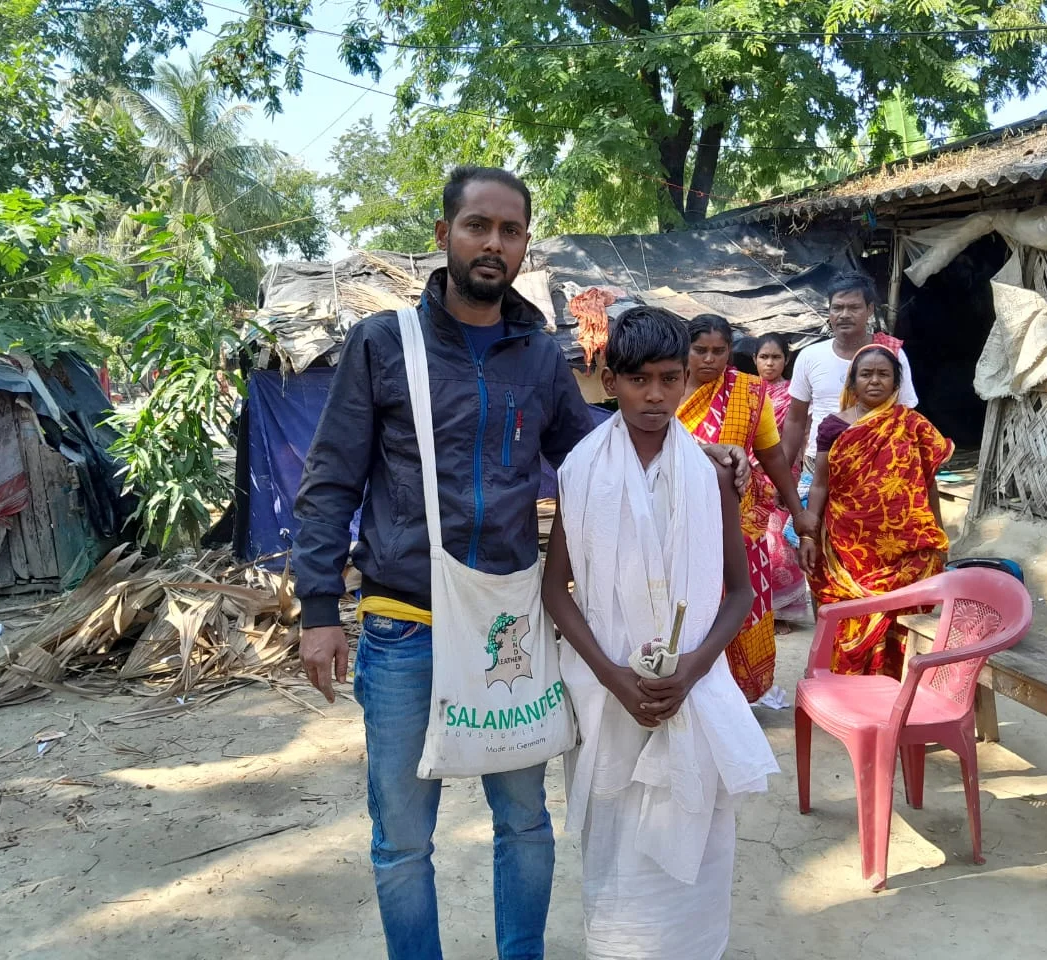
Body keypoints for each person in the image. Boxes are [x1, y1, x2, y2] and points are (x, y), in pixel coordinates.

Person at [293, 166, 753, 960]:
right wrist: (319, 611)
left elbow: (590, 450)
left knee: (527, 825)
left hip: (510, 623)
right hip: (406, 624)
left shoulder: (538, 357)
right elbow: (331, 478)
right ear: (444, 236)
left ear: (523, 245)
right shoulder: (383, 345)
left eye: (510, 231)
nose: (493, 243)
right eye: (477, 226)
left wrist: (688, 448)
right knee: (403, 837)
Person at [542, 307, 780, 960]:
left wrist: (696, 667)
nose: (654, 395)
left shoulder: (710, 475)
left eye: (669, 379)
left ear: (686, 382)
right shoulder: (582, 471)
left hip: (691, 692)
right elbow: (554, 591)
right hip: (609, 696)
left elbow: (739, 593)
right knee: (615, 853)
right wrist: (614, 676)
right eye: (638, 379)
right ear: (608, 378)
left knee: (697, 851)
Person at [676, 314, 814, 703]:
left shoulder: (748, 393)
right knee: (691, 614)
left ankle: (734, 699)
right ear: (685, 350)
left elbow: (771, 456)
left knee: (738, 611)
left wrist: (798, 513)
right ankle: (691, 694)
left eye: (719, 351)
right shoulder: (665, 388)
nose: (709, 359)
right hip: (677, 526)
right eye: (700, 350)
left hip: (737, 526)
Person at [798, 344, 953, 677]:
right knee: (853, 616)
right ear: (851, 383)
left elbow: (927, 484)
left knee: (906, 614)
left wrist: (938, 535)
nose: (874, 381)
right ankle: (852, 689)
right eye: (866, 374)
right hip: (850, 548)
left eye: (883, 374)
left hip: (907, 547)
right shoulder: (833, 427)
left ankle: (900, 686)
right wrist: (809, 534)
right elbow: (821, 484)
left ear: (896, 382)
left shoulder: (913, 425)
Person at [780, 271, 919, 471]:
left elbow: (906, 415)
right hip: (819, 465)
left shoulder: (892, 354)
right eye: (837, 308)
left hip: (878, 465)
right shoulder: (810, 356)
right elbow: (795, 420)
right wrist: (782, 478)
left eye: (854, 307)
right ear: (829, 311)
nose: (844, 315)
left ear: (870, 309)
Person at [739, 333, 813, 628]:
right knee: (755, 540)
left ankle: (783, 610)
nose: (769, 363)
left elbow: (801, 435)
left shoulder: (793, 395)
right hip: (750, 474)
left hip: (782, 473)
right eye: (763, 357)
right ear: (754, 360)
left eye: (776, 357)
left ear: (787, 359)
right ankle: (759, 608)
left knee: (780, 543)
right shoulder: (745, 392)